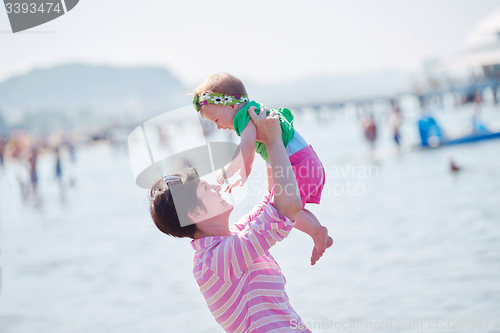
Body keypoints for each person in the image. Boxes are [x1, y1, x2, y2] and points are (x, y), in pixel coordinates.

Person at [149, 108, 312, 333]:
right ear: (196, 213)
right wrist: (274, 141)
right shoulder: (213, 262)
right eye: (205, 188)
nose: (216, 187)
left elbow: (272, 199)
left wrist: (263, 142)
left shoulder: (231, 237)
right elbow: (287, 206)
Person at [192, 73, 333, 265]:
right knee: (286, 206)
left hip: (298, 166)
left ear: (232, 105)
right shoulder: (252, 111)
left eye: (216, 120)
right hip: (306, 162)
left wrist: (229, 168)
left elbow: (246, 147)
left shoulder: (246, 117)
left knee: (282, 210)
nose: (218, 127)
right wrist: (243, 174)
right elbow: (250, 152)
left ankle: (316, 232)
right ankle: (318, 231)